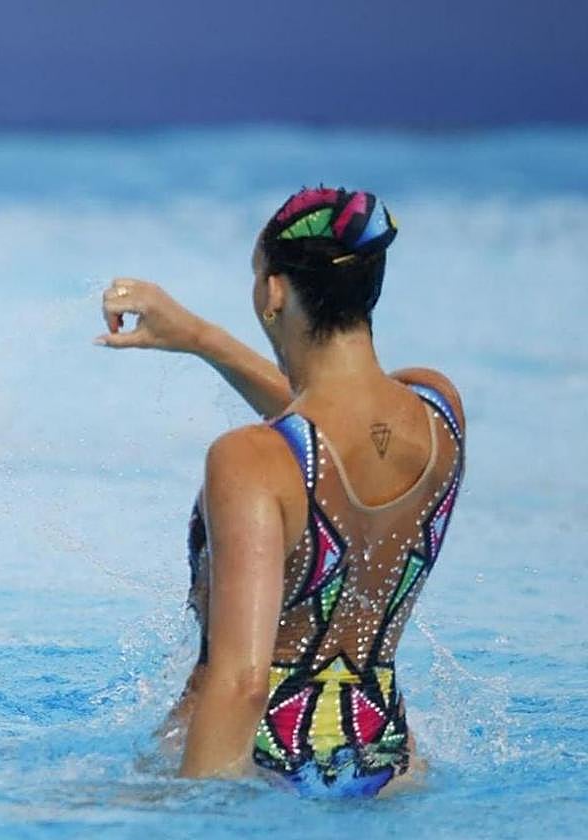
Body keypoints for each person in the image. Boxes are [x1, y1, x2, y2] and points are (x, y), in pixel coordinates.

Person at [97, 187, 465, 796]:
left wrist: (191, 812)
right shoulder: (437, 413)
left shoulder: (247, 460)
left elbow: (242, 685)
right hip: (389, 766)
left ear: (273, 292)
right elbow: (327, 432)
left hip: (261, 771)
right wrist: (200, 337)